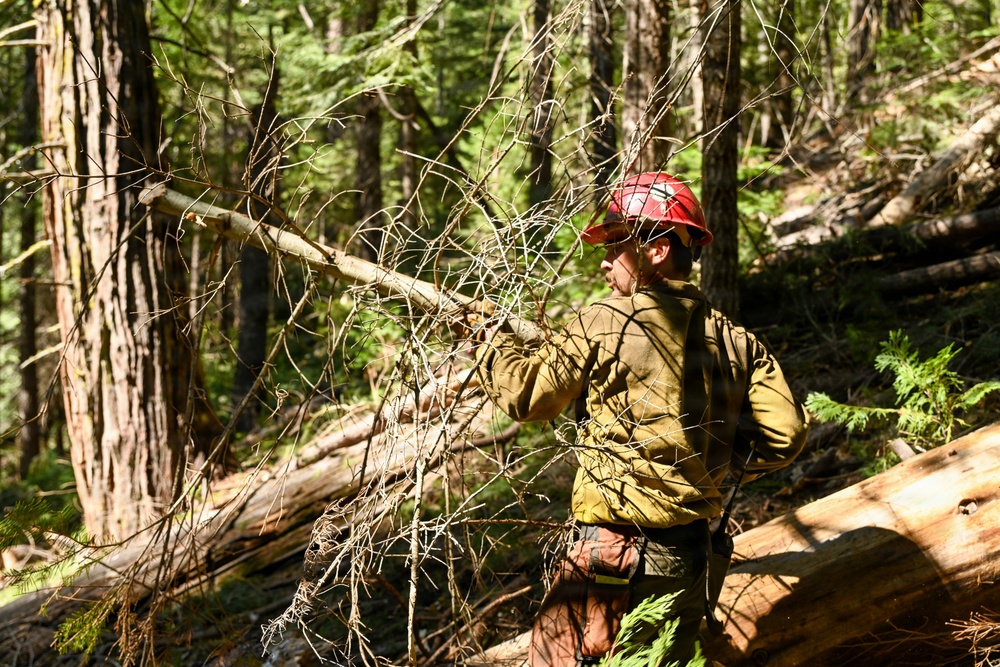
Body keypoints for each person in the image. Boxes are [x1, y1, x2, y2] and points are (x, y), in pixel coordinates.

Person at [476, 172, 809, 666]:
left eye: (615, 246)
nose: (606, 263)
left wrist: (490, 340)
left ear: (656, 249)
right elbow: (786, 436)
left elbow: (529, 397)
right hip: (689, 561)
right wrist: (711, 468)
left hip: (612, 560)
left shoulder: (606, 318)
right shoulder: (739, 342)